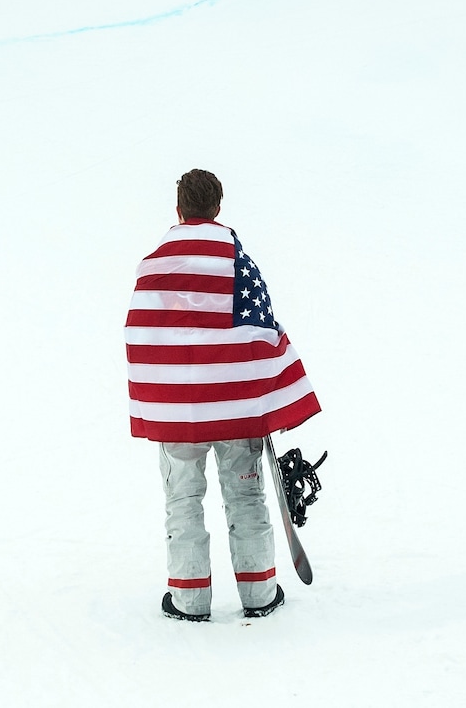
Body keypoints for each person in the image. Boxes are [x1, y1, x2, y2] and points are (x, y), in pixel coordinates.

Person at [125, 169, 321, 621]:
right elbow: (261, 330)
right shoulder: (237, 261)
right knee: (246, 495)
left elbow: (141, 332)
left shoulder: (154, 264)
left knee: (182, 499)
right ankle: (259, 593)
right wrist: (266, 391)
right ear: (217, 207)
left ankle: (190, 599)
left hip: (178, 413)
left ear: (179, 208)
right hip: (236, 409)